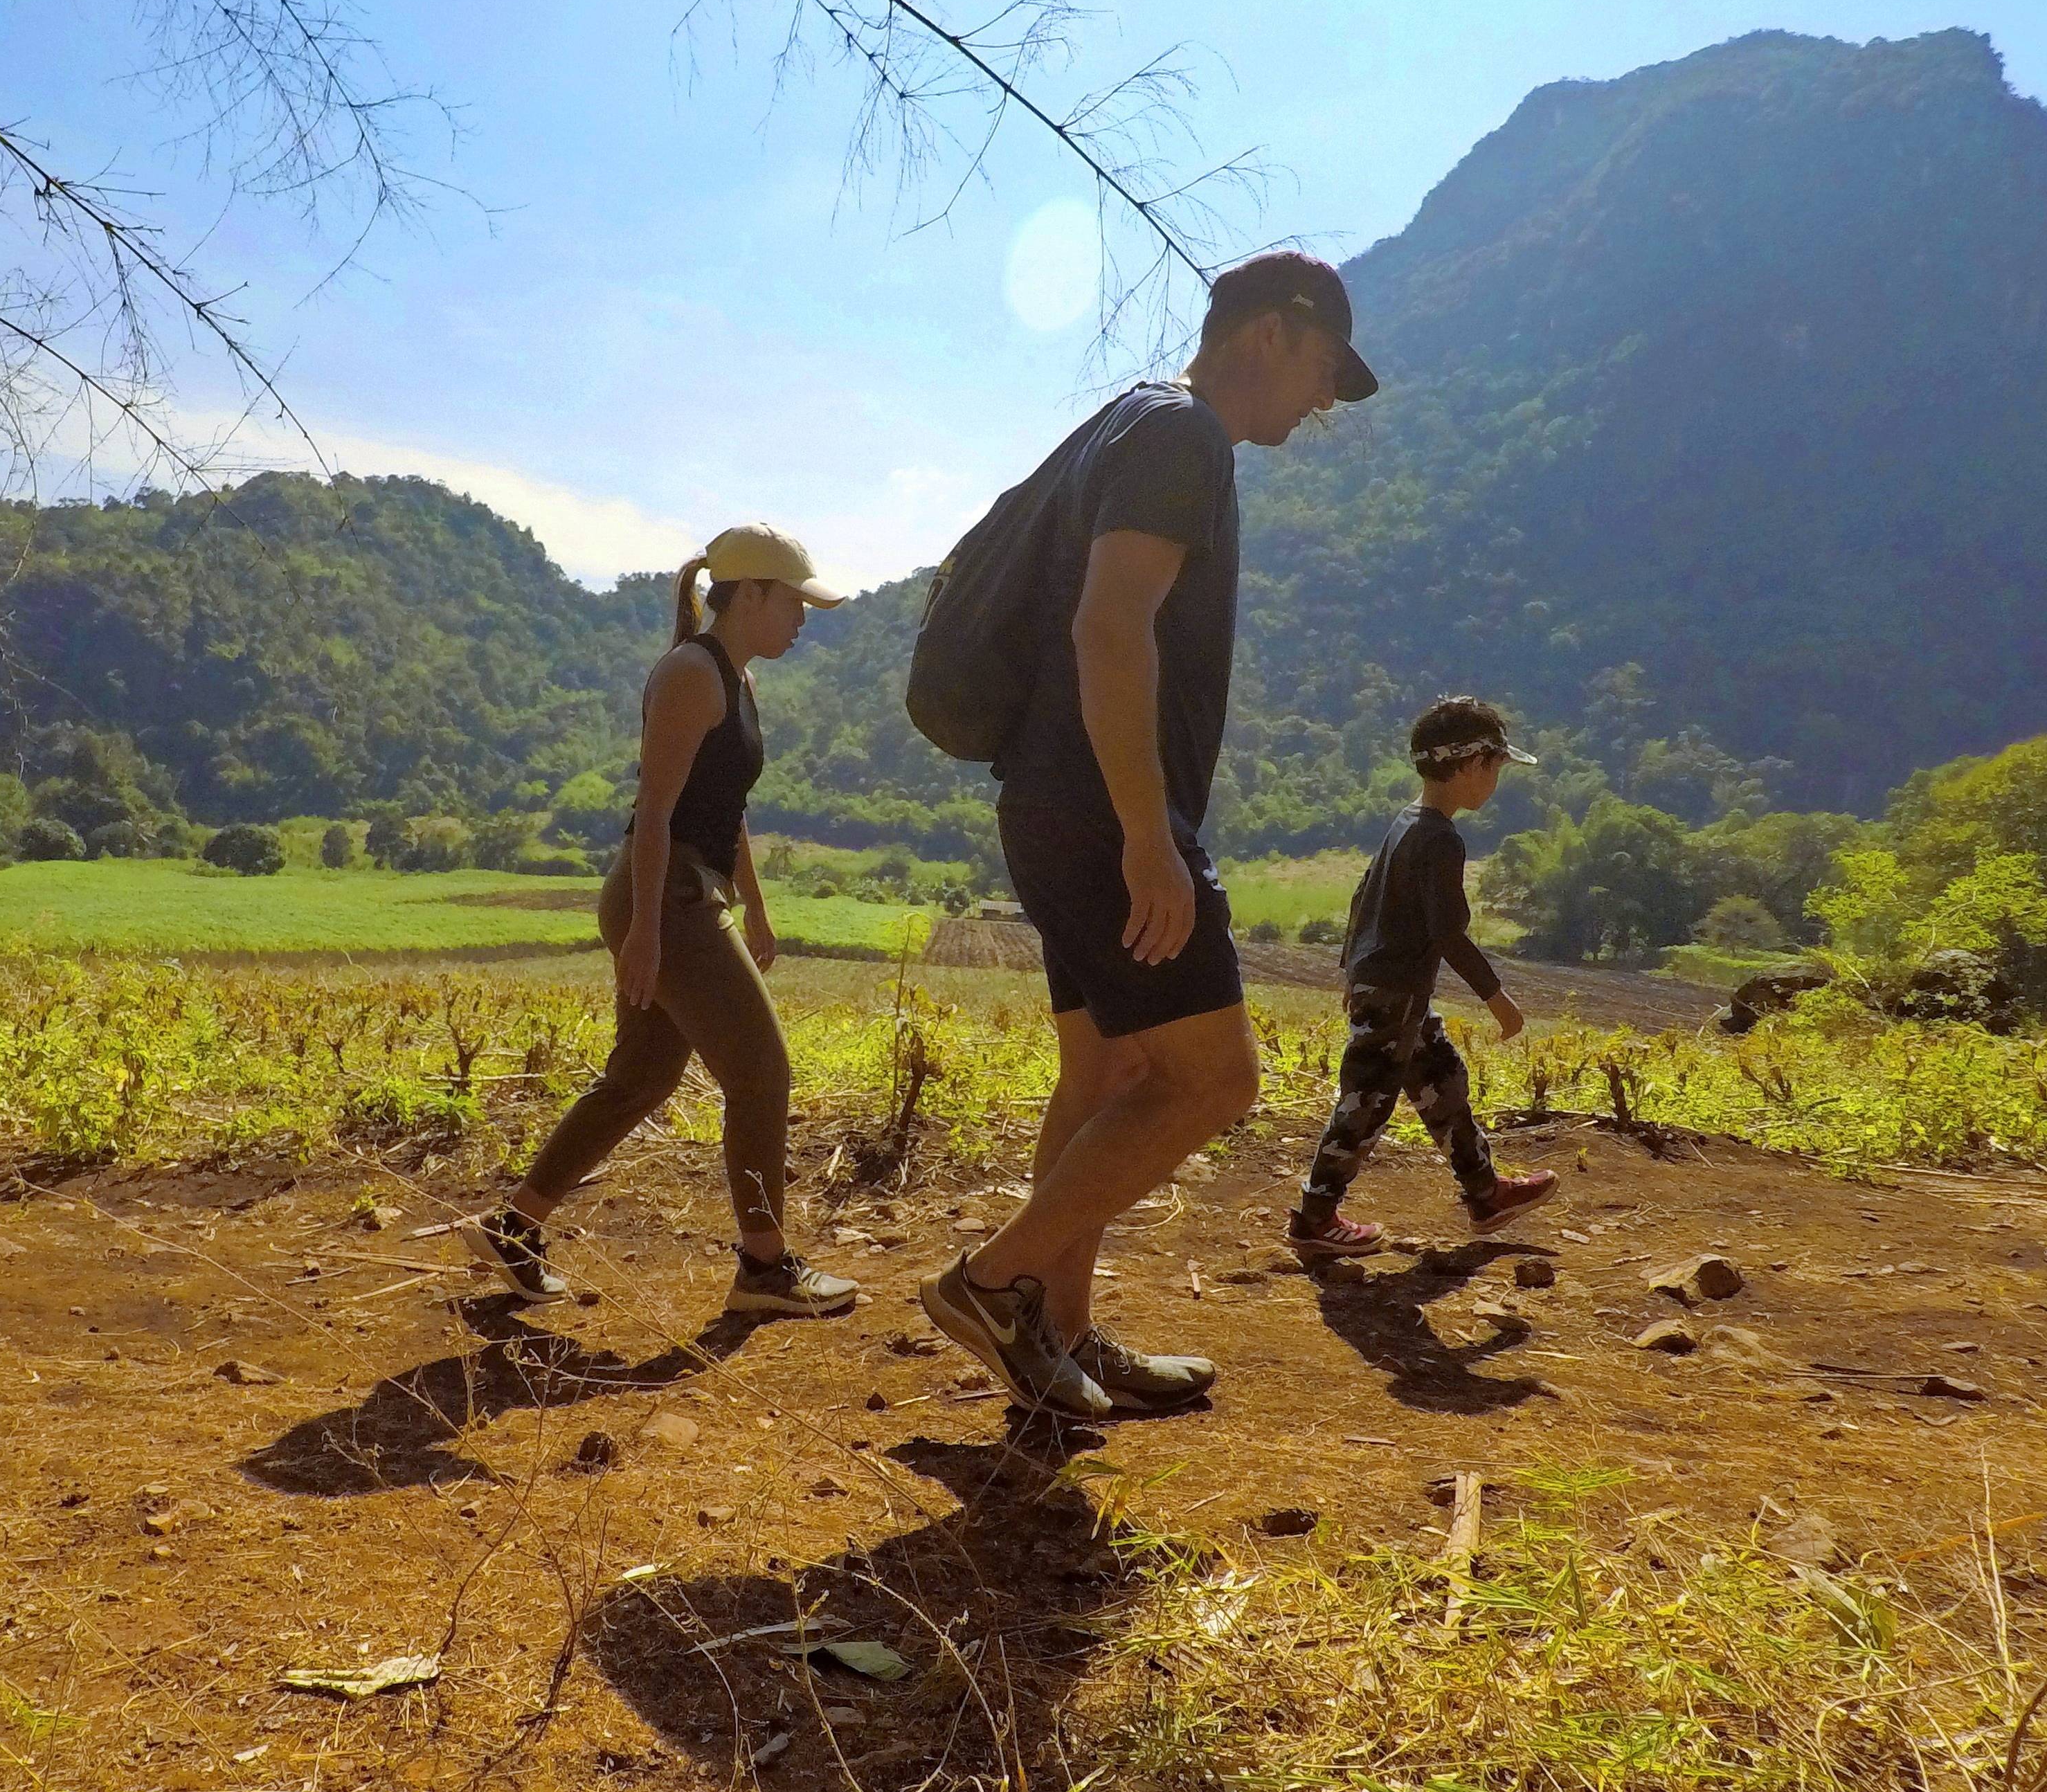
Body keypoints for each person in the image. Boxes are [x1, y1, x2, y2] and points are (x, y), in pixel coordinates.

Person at [921, 251, 1380, 1418]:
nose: (1324, 397)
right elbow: (1108, 623)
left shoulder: (1128, 424)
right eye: (1325, 365)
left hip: (1050, 798)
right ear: (1273, 333)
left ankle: (1055, 1336)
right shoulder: (1181, 440)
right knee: (1211, 1080)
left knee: (1110, 1068)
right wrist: (1145, 833)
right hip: (1098, 809)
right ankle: (992, 1283)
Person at [463, 524, 863, 1320]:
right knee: (760, 1072)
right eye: (794, 602)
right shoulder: (690, 673)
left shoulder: (737, 682)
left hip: (691, 892)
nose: (803, 619)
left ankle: (513, 1227)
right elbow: (653, 811)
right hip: (667, 897)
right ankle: (763, 1265)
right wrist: (646, 931)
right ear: (747, 595)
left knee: (641, 1079)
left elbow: (726, 809)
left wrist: (755, 905)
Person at [1285, 696, 1560, 1254]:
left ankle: (1485, 1194)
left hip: (1389, 985)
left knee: (1442, 1084)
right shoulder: (1439, 838)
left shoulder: (1409, 821)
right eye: (1496, 769)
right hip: (1396, 991)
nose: (1495, 783)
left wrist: (1351, 973)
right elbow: (1446, 934)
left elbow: (1363, 896)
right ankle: (1315, 1218)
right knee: (1366, 1102)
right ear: (1470, 767)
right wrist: (1496, 997)